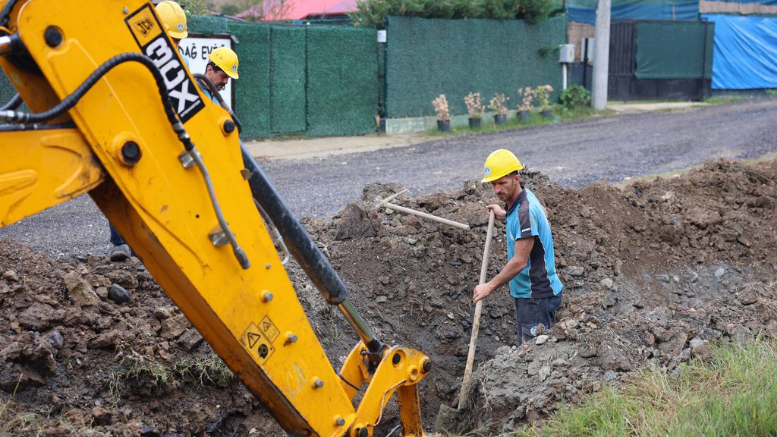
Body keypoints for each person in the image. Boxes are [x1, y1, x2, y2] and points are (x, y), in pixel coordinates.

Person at [107, 0, 191, 262]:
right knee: (123, 184)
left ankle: (148, 246)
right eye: (171, 40)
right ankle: (120, 242)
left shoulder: (181, 62)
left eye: (178, 41)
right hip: (129, 128)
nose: (175, 46)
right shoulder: (129, 55)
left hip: (160, 133)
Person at [472, 149, 563, 345]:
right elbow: (532, 217)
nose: (497, 190)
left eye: (502, 183)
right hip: (532, 294)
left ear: (516, 178)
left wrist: (489, 286)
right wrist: (505, 214)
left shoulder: (525, 212)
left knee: (532, 354)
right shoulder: (523, 200)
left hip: (536, 296)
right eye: (493, 184)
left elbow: (520, 261)